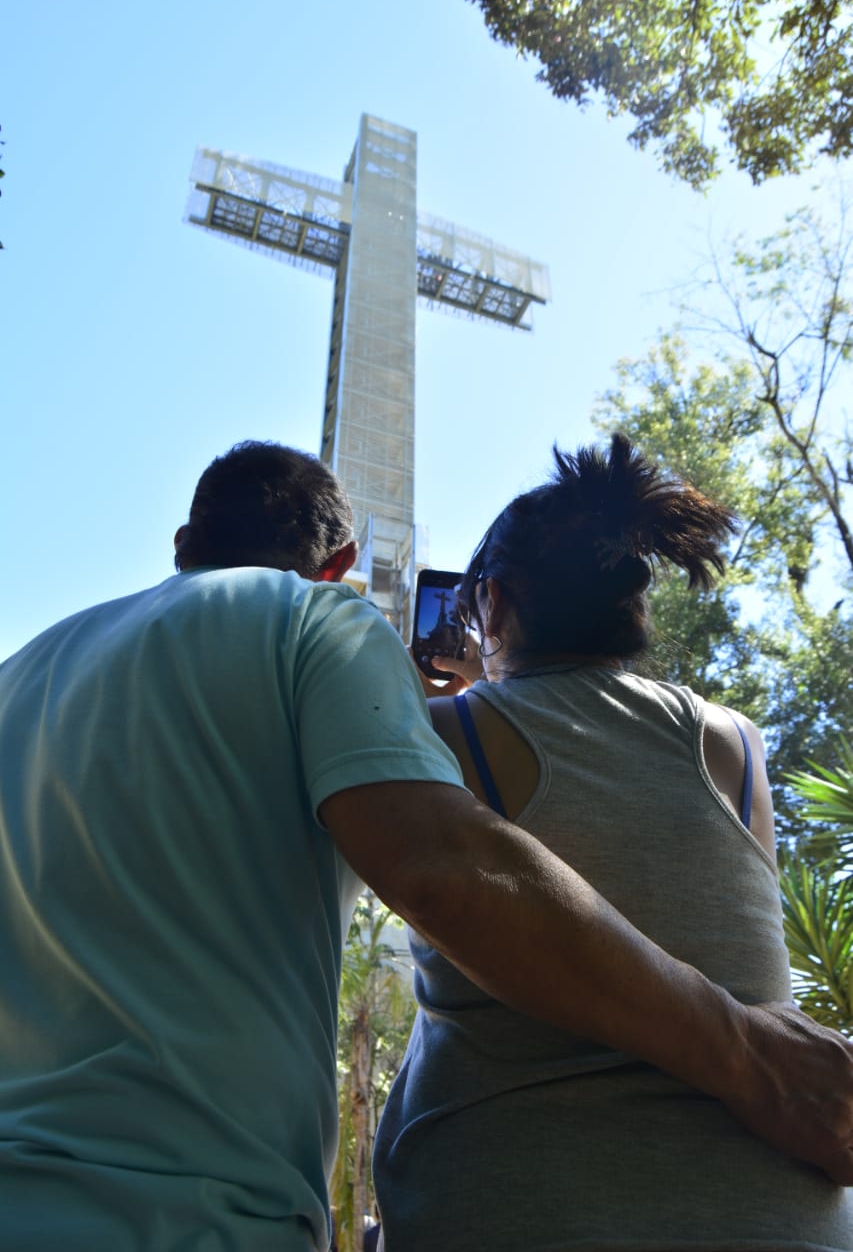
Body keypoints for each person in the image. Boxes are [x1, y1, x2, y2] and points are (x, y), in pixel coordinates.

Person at [0, 440, 851, 1252]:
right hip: (199, 1207)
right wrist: (749, 1057)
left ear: (185, 543)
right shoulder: (731, 740)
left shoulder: (19, 675)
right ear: (338, 571)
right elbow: (445, 865)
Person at [373, 433, 853, 1251]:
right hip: (781, 1221)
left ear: (491, 603)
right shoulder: (733, 740)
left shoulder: (440, 734)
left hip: (530, 1211)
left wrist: (445, 706)